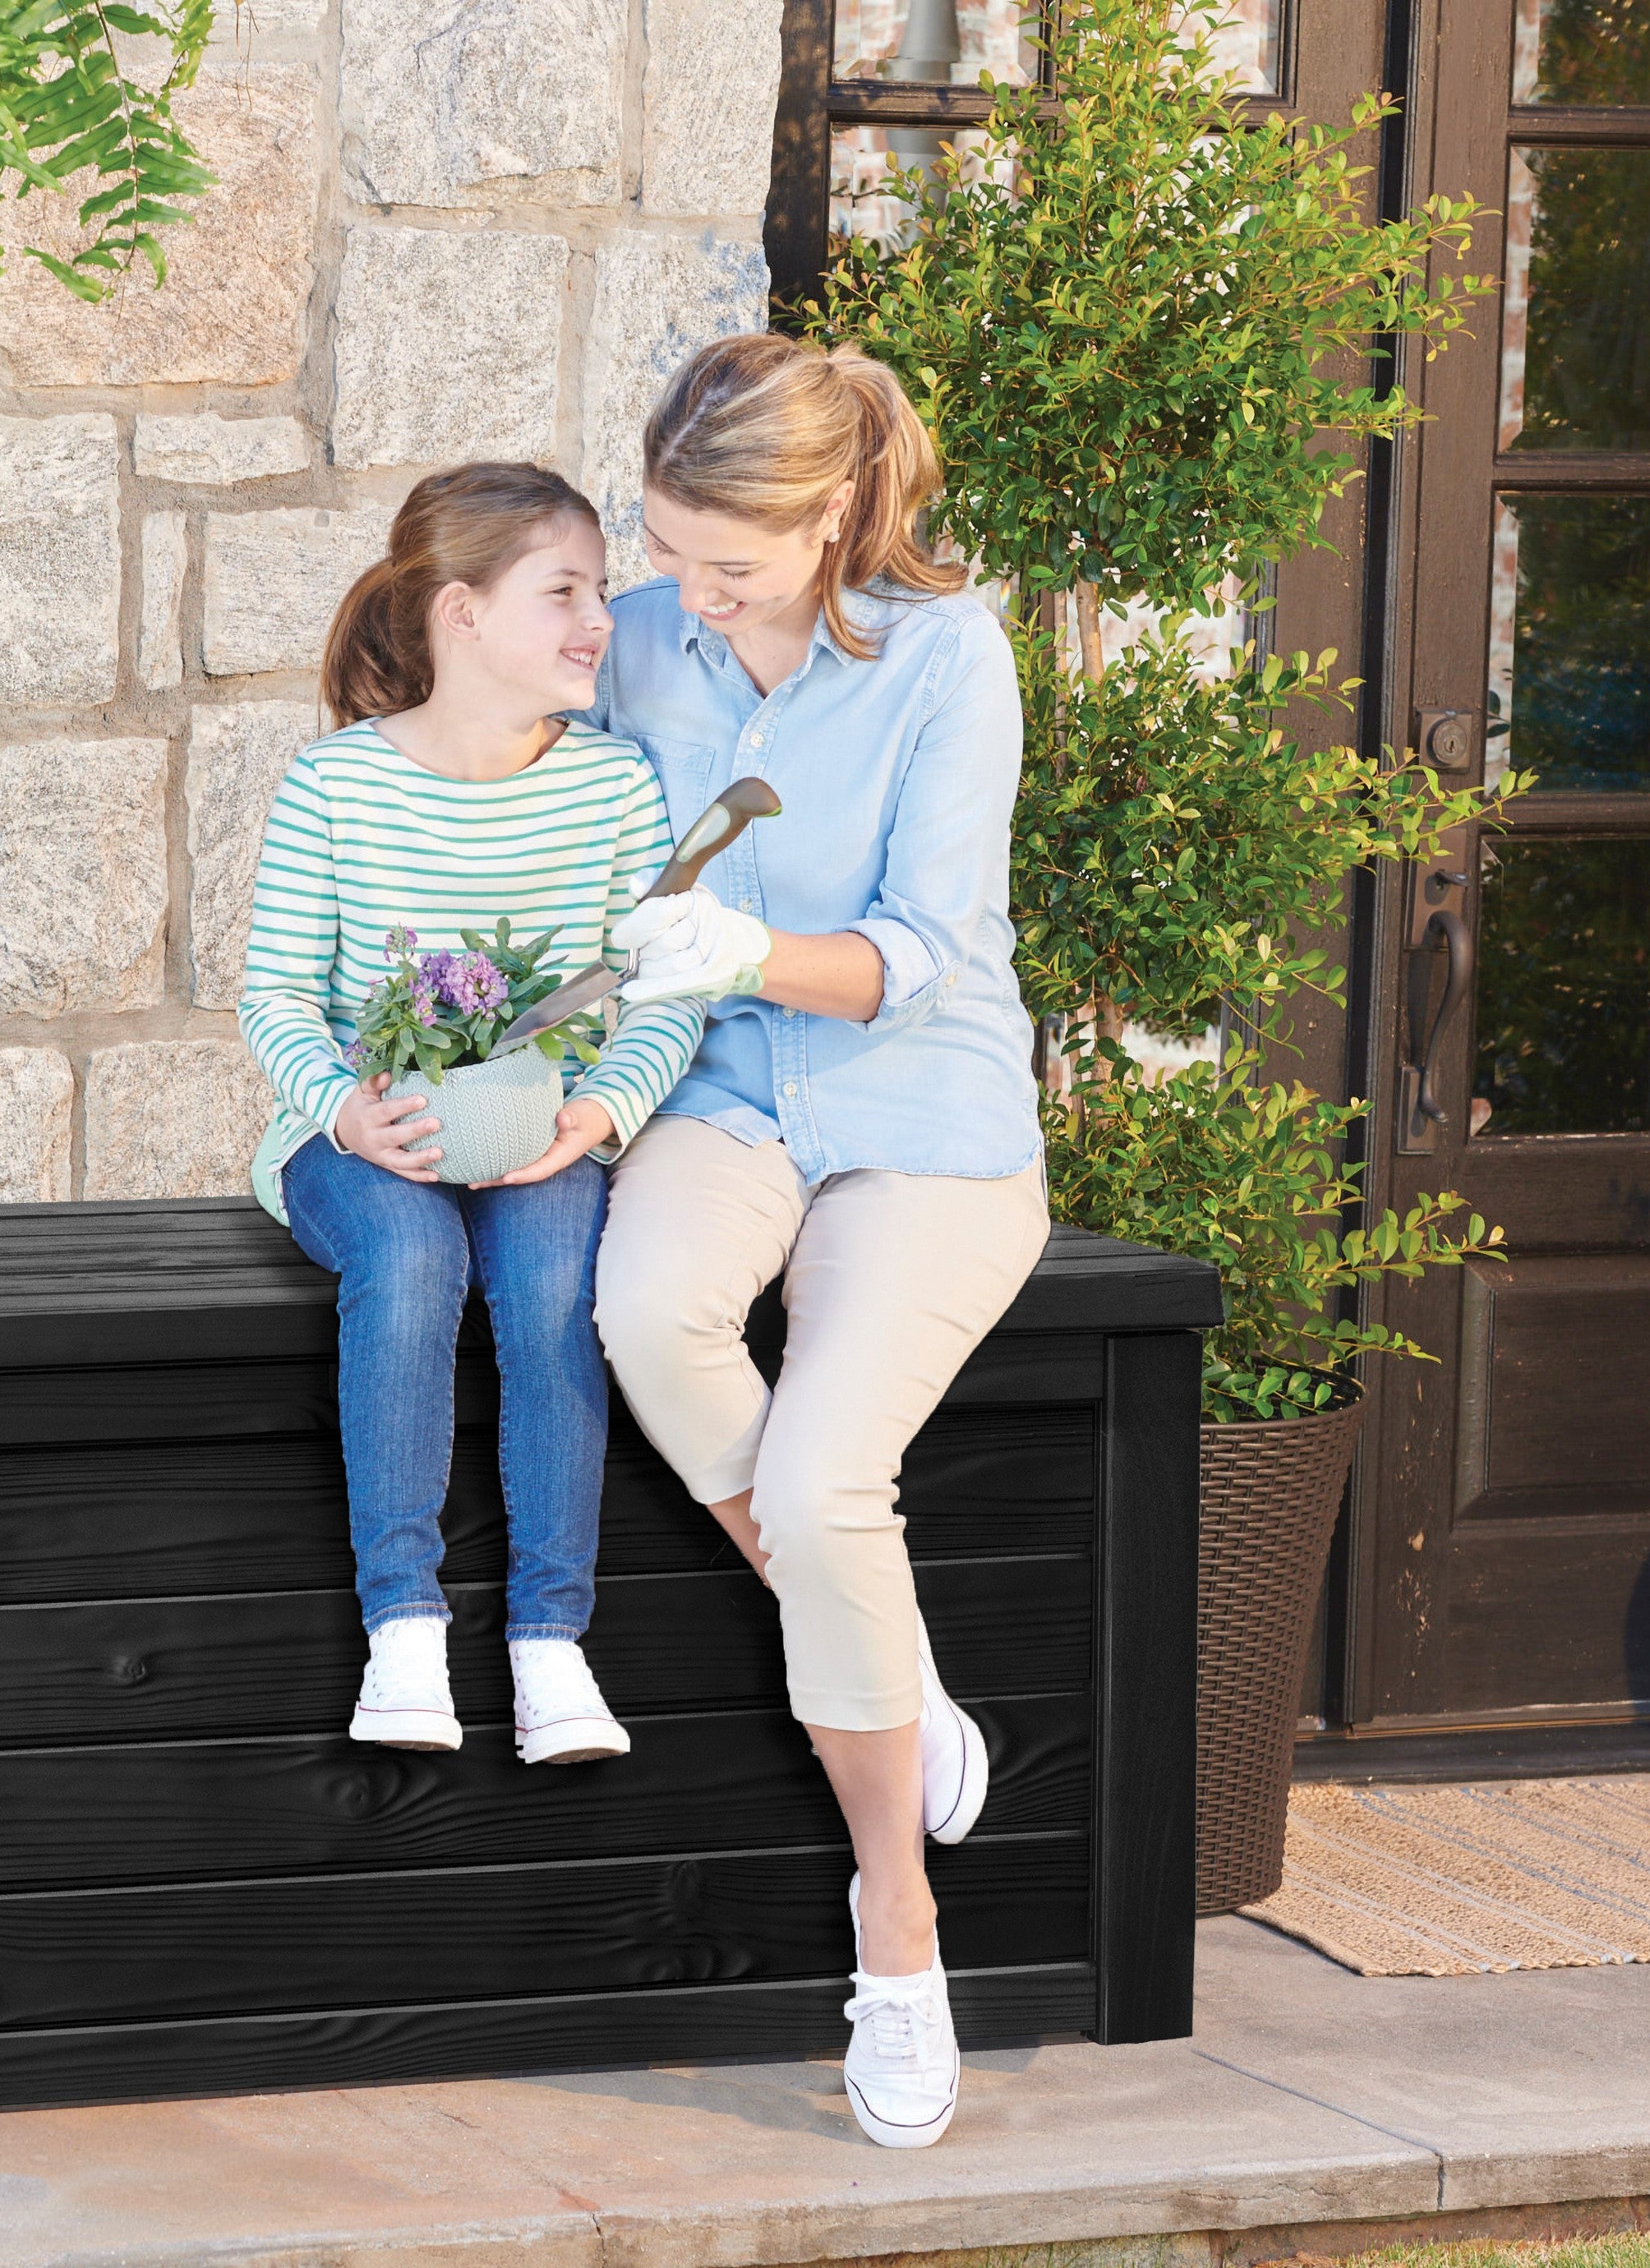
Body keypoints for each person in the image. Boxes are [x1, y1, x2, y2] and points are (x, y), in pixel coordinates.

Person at [589, 333, 1042, 2151]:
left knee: (833, 1474)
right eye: (670, 548)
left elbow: (926, 948)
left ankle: (899, 1923)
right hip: (724, 1098)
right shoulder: (637, 635)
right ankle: (903, 1690)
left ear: (840, 508)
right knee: (643, 1314)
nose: (691, 593)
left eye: (732, 563)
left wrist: (744, 954)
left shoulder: (949, 657)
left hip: (924, 1118)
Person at [238, 463, 706, 1768]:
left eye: (600, 591)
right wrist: (341, 1115)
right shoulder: (333, 785)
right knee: (409, 1256)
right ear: (460, 614)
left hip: (539, 1134)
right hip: (361, 1144)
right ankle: (403, 1627)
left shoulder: (614, 789)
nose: (598, 621)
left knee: (555, 1276)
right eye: (564, 591)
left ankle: (551, 1641)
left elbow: (662, 997)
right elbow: (272, 994)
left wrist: (600, 1112)